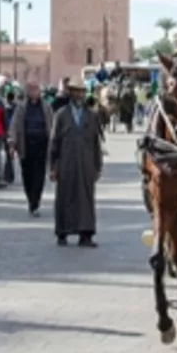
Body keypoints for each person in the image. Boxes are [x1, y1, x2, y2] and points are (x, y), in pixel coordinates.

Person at [49, 80, 104, 247]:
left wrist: (98, 166)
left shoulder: (92, 116)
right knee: (64, 197)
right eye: (75, 91)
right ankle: (62, 233)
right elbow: (54, 142)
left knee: (86, 198)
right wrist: (53, 167)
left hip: (86, 164)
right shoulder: (61, 115)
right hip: (66, 163)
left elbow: (96, 143)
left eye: (81, 91)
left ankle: (86, 234)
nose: (78, 95)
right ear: (70, 92)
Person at [11, 81, 54, 217]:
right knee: (27, 175)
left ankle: (35, 203)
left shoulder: (46, 107)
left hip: (42, 143)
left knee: (39, 175)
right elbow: (14, 126)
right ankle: (31, 198)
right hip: (26, 144)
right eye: (31, 89)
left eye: (36, 89)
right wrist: (12, 143)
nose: (34, 92)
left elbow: (52, 125)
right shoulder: (21, 108)